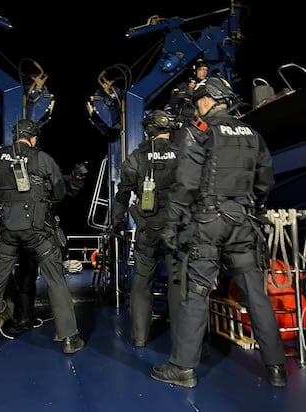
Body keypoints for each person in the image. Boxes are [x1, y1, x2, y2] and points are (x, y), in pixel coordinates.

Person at [151, 77, 287, 388]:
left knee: (197, 294)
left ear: (210, 100)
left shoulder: (200, 133)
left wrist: (172, 224)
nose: (197, 107)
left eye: (199, 101)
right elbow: (265, 180)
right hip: (243, 220)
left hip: (209, 222)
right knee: (256, 295)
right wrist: (253, 207)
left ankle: (182, 369)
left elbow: (185, 184)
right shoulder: (252, 134)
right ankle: (277, 368)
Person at [0, 118, 88, 358]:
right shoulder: (42, 158)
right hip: (37, 233)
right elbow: (59, 192)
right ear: (33, 138)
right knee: (56, 281)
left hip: (6, 233)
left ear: (15, 136)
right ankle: (69, 339)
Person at [112, 110, 181, 347]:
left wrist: (118, 221)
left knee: (142, 283)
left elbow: (123, 193)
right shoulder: (183, 154)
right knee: (177, 282)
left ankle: (139, 338)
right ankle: (182, 342)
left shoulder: (137, 157)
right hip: (176, 228)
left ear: (147, 132)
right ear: (168, 131)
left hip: (147, 228)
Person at [168, 57, 209, 126]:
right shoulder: (184, 85)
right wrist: (185, 94)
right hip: (188, 119)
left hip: (205, 118)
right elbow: (173, 100)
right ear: (194, 71)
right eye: (201, 69)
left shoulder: (209, 85)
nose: (204, 72)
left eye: (206, 70)